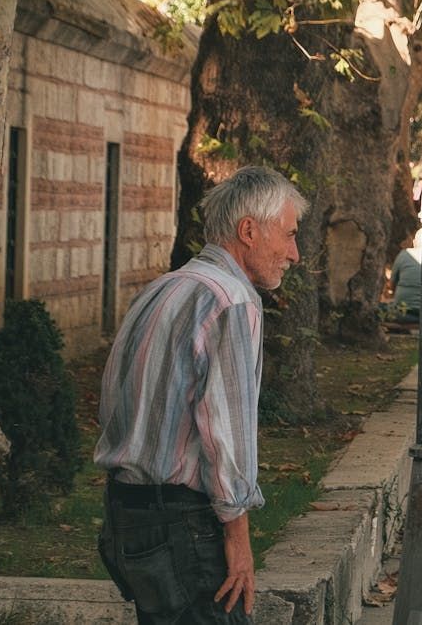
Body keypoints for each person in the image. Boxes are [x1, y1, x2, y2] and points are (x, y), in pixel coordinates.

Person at [94, 166, 304, 623]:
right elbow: (226, 431)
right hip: (181, 526)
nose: (295, 253)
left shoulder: (162, 289)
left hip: (127, 515)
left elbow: (110, 402)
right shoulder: (232, 301)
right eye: (288, 235)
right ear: (249, 230)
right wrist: (238, 538)